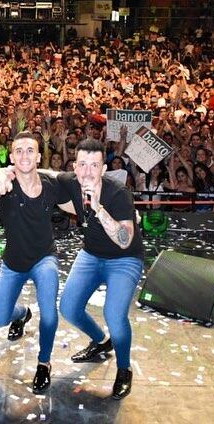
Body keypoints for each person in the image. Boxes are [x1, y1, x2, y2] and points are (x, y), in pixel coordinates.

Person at [56, 138, 143, 400]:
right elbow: (42, 173)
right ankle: (100, 341)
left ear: (103, 169)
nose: (87, 172)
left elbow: (125, 239)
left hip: (125, 258)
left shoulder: (118, 193)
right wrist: (9, 171)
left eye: (94, 165)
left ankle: (124, 368)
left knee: (114, 315)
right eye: (82, 164)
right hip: (91, 255)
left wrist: (98, 209)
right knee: (68, 307)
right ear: (75, 166)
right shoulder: (71, 182)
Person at [0, 132, 66, 393]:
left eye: (30, 150)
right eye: (18, 151)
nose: (24, 155)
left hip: (44, 258)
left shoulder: (51, 183)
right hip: (13, 262)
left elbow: (77, 199)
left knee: (50, 312)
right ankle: (22, 314)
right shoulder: (5, 184)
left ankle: (44, 363)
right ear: (11, 157)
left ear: (38, 155)